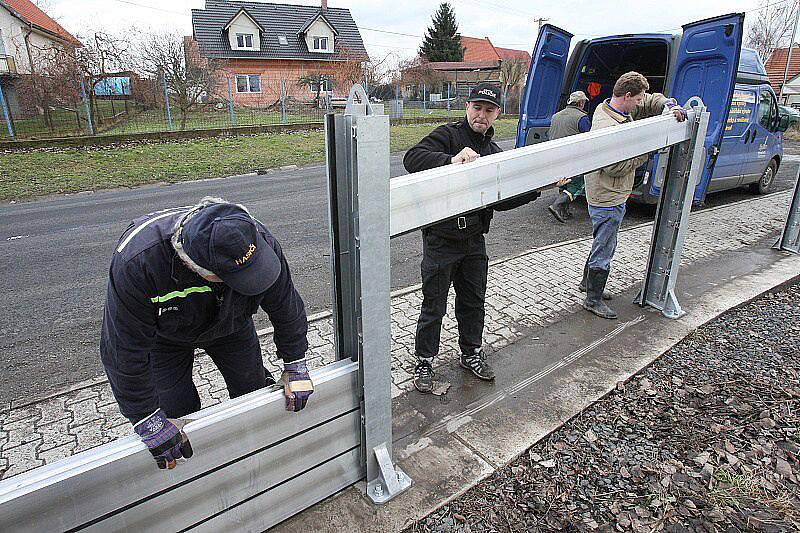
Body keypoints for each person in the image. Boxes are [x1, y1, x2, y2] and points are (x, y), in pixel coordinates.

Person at [100, 197, 313, 469]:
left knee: (252, 388)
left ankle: (260, 456)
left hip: (232, 325)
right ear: (195, 267)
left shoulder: (254, 239)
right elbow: (122, 350)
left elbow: (286, 306)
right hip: (166, 338)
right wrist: (144, 417)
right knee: (174, 409)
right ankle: (197, 473)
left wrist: (295, 362)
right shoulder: (138, 263)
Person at [403, 82, 540, 393]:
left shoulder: (493, 153)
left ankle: (471, 353)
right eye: (477, 108)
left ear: (497, 114)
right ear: (467, 107)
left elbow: (501, 199)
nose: (481, 114)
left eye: (489, 110)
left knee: (473, 302)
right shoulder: (448, 135)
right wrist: (451, 161)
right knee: (434, 305)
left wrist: (537, 188)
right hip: (441, 238)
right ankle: (424, 360)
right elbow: (412, 158)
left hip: (474, 240)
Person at [583, 72, 687, 319]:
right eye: (638, 99)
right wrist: (646, 152)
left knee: (602, 238)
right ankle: (592, 299)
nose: (641, 104)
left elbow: (651, 100)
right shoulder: (606, 127)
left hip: (609, 192)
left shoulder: (615, 109)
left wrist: (668, 105)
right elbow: (613, 167)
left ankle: (588, 284)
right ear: (627, 96)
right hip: (607, 195)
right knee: (606, 244)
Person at [547, 91, 591, 223]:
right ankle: (557, 205)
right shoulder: (581, 118)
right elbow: (588, 138)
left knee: (564, 183)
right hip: (574, 157)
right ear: (581, 103)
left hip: (557, 156)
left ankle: (564, 212)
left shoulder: (555, 116)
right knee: (578, 184)